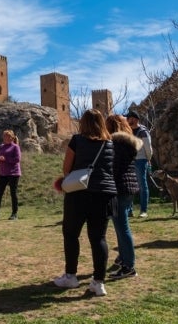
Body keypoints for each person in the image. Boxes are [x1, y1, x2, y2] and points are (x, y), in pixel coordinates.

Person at [53, 109, 116, 297]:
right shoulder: (110, 143)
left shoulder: (77, 140)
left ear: (83, 123)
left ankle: (71, 276)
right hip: (104, 193)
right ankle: (98, 282)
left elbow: (67, 168)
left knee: (71, 234)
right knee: (99, 238)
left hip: (79, 193)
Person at [105, 114, 141, 279]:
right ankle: (123, 258)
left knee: (122, 227)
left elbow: (114, 168)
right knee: (122, 226)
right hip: (129, 187)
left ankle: (128, 266)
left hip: (119, 188)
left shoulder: (115, 144)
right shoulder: (128, 142)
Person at [125, 110, 153, 218]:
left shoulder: (143, 132)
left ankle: (143, 210)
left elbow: (148, 147)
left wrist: (148, 159)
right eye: (127, 118)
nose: (128, 120)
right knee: (130, 186)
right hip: (130, 161)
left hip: (141, 160)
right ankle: (129, 210)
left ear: (135, 119)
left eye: (130, 118)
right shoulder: (128, 131)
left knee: (142, 185)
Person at [0, 129, 22, 221]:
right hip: (3, 173)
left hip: (14, 173)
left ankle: (14, 214)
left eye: (7, 136)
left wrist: (6, 159)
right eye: (4, 136)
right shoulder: (1, 146)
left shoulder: (15, 147)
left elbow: (17, 159)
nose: (5, 138)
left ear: (11, 137)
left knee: (13, 193)